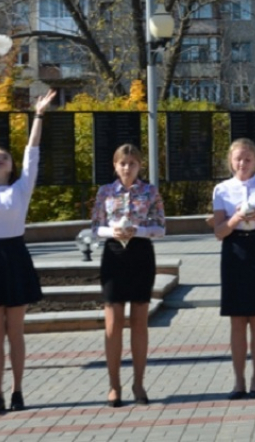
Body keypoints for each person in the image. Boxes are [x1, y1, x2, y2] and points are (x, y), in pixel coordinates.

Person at [0, 89, 56, 414]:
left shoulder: (20, 188)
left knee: (15, 331)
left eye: (3, 155)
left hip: (15, 257)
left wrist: (39, 115)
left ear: (11, 163)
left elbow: (32, 152)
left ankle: (18, 391)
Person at [91, 143, 166, 407]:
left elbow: (161, 227)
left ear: (139, 166)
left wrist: (138, 231)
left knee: (139, 322)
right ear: (115, 165)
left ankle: (139, 383)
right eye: (122, 163)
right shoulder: (105, 192)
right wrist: (113, 232)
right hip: (114, 255)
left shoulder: (150, 191)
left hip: (140, 254)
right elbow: (95, 227)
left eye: (132, 163)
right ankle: (114, 385)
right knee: (113, 324)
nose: (127, 168)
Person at [212, 138, 255, 400]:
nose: (242, 163)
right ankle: (238, 381)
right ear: (231, 161)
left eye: (247, 159)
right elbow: (219, 232)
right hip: (234, 251)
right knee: (237, 320)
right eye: (238, 159)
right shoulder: (221, 190)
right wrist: (236, 219)